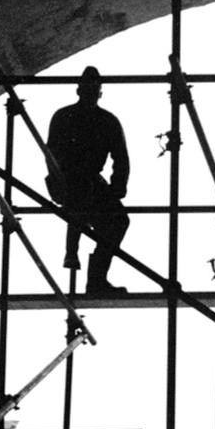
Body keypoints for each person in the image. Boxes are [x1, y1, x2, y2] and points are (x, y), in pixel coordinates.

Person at [45, 67, 131, 295]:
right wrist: (60, 181)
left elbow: (121, 159)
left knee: (118, 221)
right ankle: (80, 261)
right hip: (69, 181)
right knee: (86, 202)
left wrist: (116, 188)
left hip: (89, 183)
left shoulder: (102, 120)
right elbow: (52, 155)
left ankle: (95, 277)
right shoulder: (70, 117)